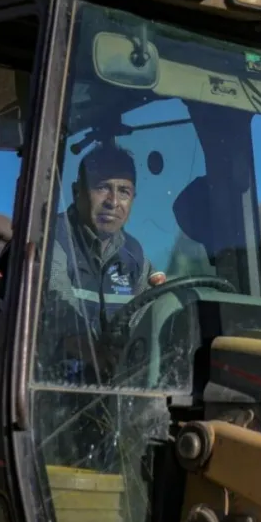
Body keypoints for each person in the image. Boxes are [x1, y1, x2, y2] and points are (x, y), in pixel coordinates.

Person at [40, 143, 158, 379]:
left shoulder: (135, 256)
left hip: (109, 389)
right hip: (48, 388)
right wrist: (93, 351)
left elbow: (145, 320)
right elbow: (58, 303)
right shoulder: (51, 238)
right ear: (77, 192)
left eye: (124, 191)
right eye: (102, 187)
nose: (113, 202)